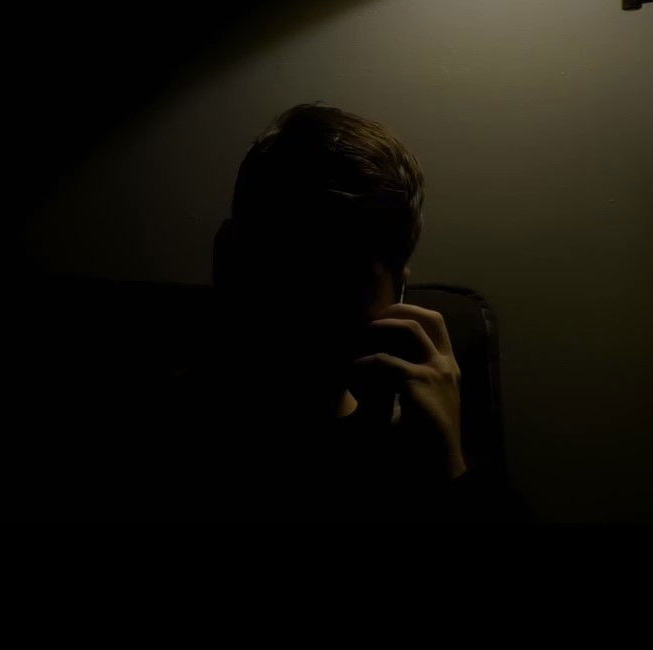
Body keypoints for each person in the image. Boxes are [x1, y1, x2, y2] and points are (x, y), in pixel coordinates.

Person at [149, 103, 520, 522]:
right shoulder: (164, 432)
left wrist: (450, 466)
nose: (309, 312)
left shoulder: (422, 446)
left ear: (399, 288)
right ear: (230, 260)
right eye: (285, 270)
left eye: (344, 282)